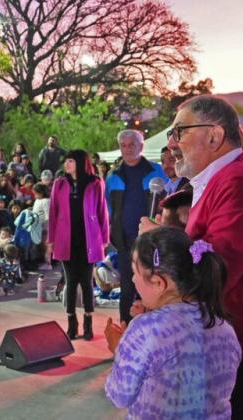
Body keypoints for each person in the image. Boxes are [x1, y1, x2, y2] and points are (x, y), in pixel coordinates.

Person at [165, 95, 243, 419]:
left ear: (214, 135)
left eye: (179, 131)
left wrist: (160, 244)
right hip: (228, 349)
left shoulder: (241, 182)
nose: (171, 142)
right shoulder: (227, 180)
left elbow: (215, 272)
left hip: (240, 355)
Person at [104, 228, 241, 419]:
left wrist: (120, 351)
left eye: (135, 272)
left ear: (158, 283)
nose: (133, 279)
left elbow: (119, 395)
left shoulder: (144, 330)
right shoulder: (223, 327)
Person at [105, 129, 166, 324]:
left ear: (141, 146)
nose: (127, 149)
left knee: (153, 287)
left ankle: (151, 330)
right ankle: (125, 331)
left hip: (152, 241)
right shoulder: (113, 176)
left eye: (132, 144)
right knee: (127, 288)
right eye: (123, 145)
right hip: (124, 241)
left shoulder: (157, 172)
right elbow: (108, 208)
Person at [47, 150, 109, 340]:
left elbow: (102, 212)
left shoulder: (95, 183)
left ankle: (88, 324)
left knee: (87, 282)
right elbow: (53, 213)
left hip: (89, 240)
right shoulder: (59, 183)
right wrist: (51, 240)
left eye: (71, 161)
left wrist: (104, 239)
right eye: (66, 161)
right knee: (70, 282)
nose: (67, 164)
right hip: (66, 240)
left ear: (81, 162)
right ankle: (71, 324)